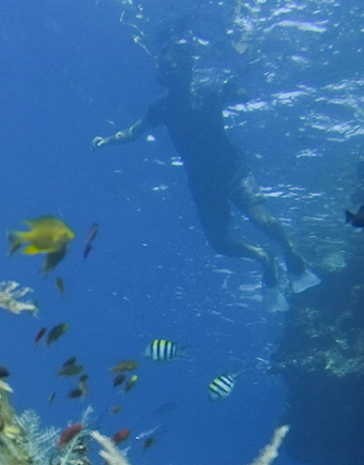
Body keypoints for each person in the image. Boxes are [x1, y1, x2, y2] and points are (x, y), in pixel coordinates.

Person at [94, 42, 318, 304]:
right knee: (219, 243)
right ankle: (263, 257)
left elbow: (242, 95)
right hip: (201, 181)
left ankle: (290, 253)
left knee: (262, 220)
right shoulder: (160, 107)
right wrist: (107, 140)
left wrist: (237, 90)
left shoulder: (208, 91)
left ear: (188, 69)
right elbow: (135, 131)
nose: (171, 73)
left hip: (232, 169)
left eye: (175, 67)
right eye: (166, 69)